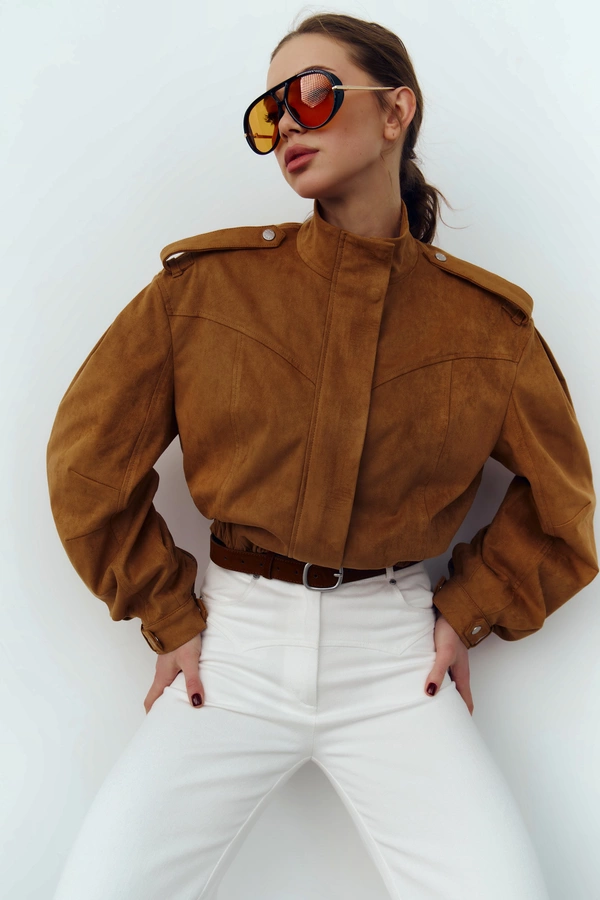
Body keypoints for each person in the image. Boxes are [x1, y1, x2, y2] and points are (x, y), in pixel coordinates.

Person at [46, 12, 597, 900]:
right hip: (232, 652)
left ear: (396, 111)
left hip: (395, 662)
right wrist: (168, 613)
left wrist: (470, 610)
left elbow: (564, 507)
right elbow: (85, 466)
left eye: (312, 93)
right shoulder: (207, 291)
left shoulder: (487, 327)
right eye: (271, 113)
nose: (288, 125)